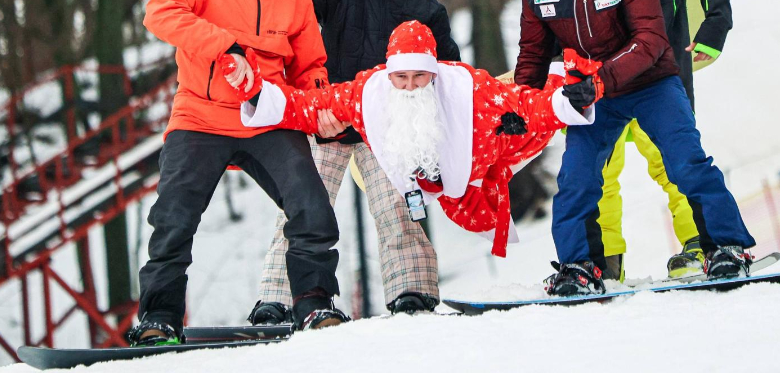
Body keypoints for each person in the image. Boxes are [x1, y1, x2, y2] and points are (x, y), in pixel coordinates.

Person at [128, 0, 349, 345]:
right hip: (200, 117)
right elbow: (159, 12)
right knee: (173, 218)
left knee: (311, 208)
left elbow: (310, 67)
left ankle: (314, 303)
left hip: (266, 118)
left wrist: (321, 109)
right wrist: (224, 47)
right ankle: (159, 319)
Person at [514, 0, 754, 296]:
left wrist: (599, 81)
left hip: (652, 84)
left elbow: (651, 40)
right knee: (577, 179)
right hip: (594, 98)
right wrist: (519, 109)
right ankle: (578, 267)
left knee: (685, 163)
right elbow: (532, 58)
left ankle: (726, 246)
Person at [252, 0, 461, 323]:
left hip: (387, 127)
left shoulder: (426, 7)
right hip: (328, 116)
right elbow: (294, 15)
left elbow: (450, 74)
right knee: (302, 208)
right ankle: (278, 299)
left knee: (398, 207)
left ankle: (412, 293)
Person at [239, 21, 600, 258]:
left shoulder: (468, 88)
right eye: (402, 78)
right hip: (436, 181)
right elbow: (309, 104)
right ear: (389, 73)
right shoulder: (368, 91)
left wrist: (567, 100)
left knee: (534, 124)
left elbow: (525, 105)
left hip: (488, 146)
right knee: (463, 213)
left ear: (434, 72)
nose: (410, 86)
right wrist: (258, 94)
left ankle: (579, 75)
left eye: (419, 76)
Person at [569, 0, 735, 279]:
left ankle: (703, 247)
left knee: (676, 161)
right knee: (595, 174)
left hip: (657, 69)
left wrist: (715, 27)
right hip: (594, 77)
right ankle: (602, 265)